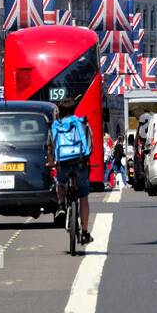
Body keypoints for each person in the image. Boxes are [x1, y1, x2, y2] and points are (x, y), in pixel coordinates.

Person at [49, 98, 94, 245]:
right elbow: (90, 144)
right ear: (73, 110)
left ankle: (61, 205)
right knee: (83, 197)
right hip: (80, 162)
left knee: (60, 183)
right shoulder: (82, 123)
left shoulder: (55, 126)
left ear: (60, 112)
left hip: (63, 163)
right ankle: (86, 232)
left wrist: (51, 162)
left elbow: (50, 146)